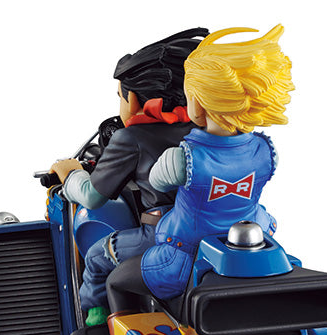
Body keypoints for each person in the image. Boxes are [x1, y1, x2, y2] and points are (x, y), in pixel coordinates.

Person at [105, 25, 293, 313]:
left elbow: (157, 182)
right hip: (245, 249)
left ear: (199, 103)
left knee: (115, 280)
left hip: (184, 258)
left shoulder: (181, 158)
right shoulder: (268, 151)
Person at [50, 28, 208, 330]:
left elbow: (92, 196)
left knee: (96, 257)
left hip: (161, 233)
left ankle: (96, 331)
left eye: (120, 98)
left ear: (132, 99)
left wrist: (70, 173)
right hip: (213, 232)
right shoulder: (206, 131)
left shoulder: (130, 137)